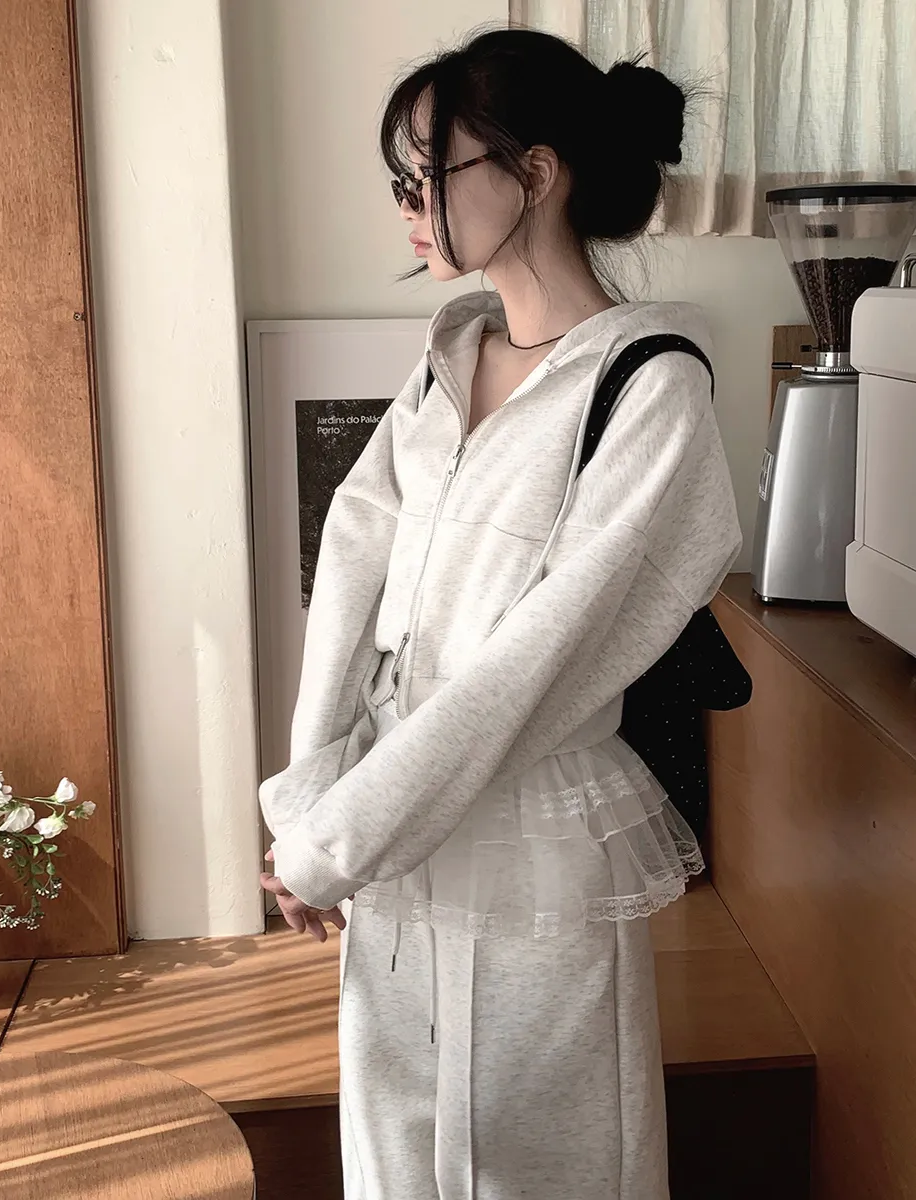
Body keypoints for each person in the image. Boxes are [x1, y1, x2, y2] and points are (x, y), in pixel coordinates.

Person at [259, 26, 741, 1200]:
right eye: (400, 180)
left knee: (548, 1161)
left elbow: (537, 662)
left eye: (428, 175)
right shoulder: (445, 361)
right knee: (394, 1155)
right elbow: (350, 568)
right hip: (391, 824)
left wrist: (336, 838)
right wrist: (312, 795)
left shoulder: (650, 385)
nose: (408, 208)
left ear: (536, 173)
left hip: (532, 837)